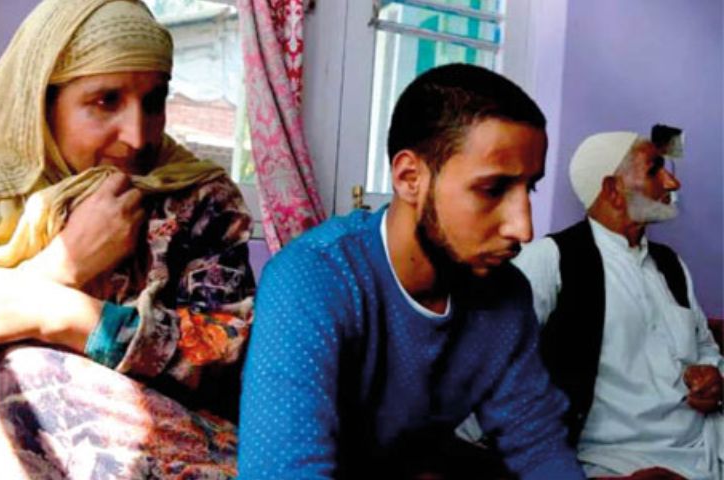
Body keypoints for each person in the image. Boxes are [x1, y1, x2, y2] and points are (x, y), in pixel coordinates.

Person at [0, 0, 254, 477]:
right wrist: (58, 268)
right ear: (43, 104)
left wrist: (61, 314)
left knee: (27, 374)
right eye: (106, 101)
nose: (137, 135)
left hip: (173, 454)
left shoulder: (198, 197)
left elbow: (223, 358)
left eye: (154, 101)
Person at [238, 63, 585, 479]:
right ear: (409, 178)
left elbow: (539, 445)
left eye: (529, 189)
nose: (523, 228)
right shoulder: (312, 279)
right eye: (493, 189)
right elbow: (284, 472)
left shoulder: (506, 296)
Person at [512, 131, 722, 479]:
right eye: (654, 170)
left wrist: (714, 377)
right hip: (621, 460)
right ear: (613, 189)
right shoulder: (550, 260)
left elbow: (704, 346)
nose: (673, 182)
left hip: (710, 441)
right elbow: (494, 363)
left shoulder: (671, 264)